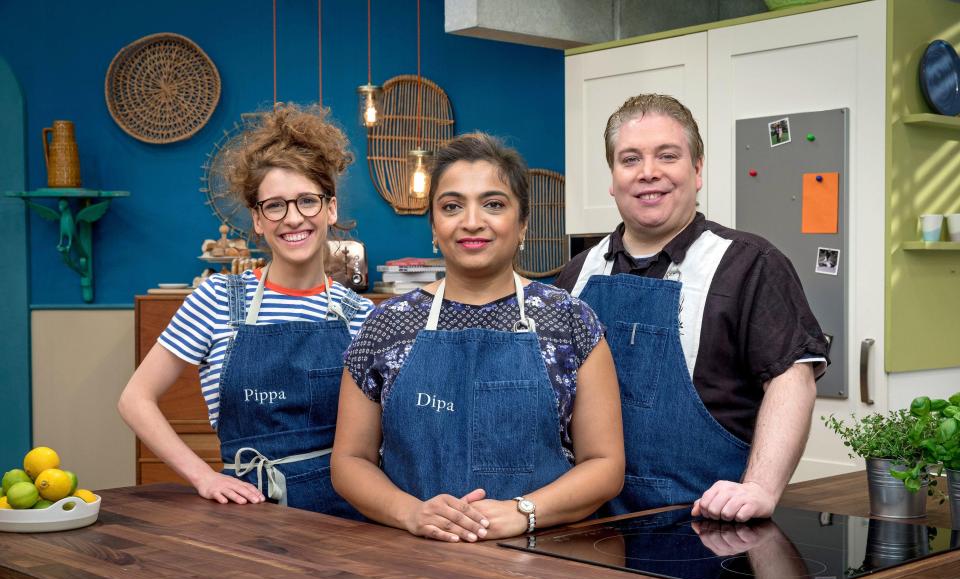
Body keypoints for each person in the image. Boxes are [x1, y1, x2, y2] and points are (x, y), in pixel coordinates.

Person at [332, 133, 624, 542]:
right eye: (452, 206)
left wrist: (524, 512)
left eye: (493, 204)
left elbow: (605, 464)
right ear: (434, 225)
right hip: (411, 562)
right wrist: (413, 513)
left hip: (544, 562)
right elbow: (349, 460)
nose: (472, 221)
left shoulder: (571, 321)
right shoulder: (386, 325)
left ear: (522, 222)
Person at [554, 94, 828, 522]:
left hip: (709, 527)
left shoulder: (750, 265)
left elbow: (792, 379)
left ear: (697, 169)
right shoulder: (576, 277)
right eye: (630, 159)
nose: (649, 173)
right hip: (587, 528)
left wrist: (759, 487)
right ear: (612, 177)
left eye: (668, 156)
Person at [118, 103, 374, 517]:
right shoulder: (217, 299)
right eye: (274, 206)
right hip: (251, 514)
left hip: (348, 517)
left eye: (307, 200)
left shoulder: (359, 315)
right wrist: (203, 476)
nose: (293, 219)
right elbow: (135, 399)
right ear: (257, 219)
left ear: (331, 208)